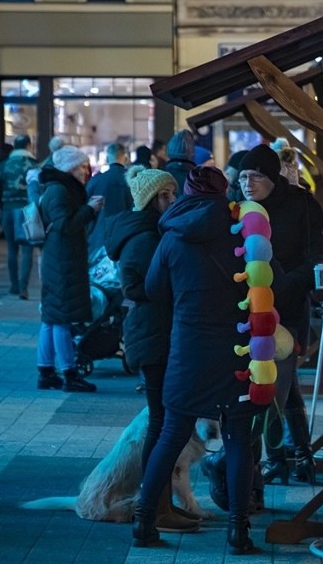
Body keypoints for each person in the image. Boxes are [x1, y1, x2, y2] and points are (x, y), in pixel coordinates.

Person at [133, 166, 265, 554]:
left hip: (188, 350)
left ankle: (144, 522)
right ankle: (238, 531)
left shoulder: (173, 236)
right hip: (236, 352)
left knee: (171, 433)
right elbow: (262, 280)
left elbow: (154, 290)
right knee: (237, 437)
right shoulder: (242, 231)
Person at [104, 165, 196, 532]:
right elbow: (135, 287)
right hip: (151, 334)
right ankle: (155, 508)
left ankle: (161, 503)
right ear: (151, 200)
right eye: (167, 196)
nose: (173, 200)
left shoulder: (151, 232)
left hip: (155, 332)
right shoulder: (143, 238)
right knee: (161, 423)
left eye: (174, 194)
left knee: (164, 422)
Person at [237, 144, 323, 486]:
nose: (248, 183)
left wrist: (283, 285)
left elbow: (321, 256)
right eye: (243, 176)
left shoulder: (301, 205)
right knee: (281, 386)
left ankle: (270, 463)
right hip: (249, 313)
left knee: (269, 390)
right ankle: (297, 456)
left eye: (257, 176)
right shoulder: (240, 208)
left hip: (287, 313)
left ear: (273, 177)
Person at [35, 146, 104, 393]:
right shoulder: (60, 190)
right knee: (62, 318)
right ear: (70, 168)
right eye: (82, 167)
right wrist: (90, 210)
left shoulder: (58, 188)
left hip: (59, 258)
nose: (86, 171)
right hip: (63, 260)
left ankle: (45, 372)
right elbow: (66, 224)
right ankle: (69, 373)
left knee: (51, 318)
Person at [0, 135, 38, 299]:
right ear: (29, 146)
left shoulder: (4, 165)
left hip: (8, 210)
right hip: (28, 210)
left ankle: (13, 286)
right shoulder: (34, 165)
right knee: (28, 250)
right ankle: (24, 287)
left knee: (11, 250)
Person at [85, 142, 133, 256]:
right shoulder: (133, 180)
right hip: (126, 236)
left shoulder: (96, 181)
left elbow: (86, 209)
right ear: (125, 158)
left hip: (99, 237)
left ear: (107, 158)